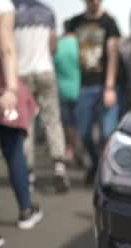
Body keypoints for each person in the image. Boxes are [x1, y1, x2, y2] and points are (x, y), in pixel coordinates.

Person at [0, 0, 44, 248]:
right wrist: (12, 89)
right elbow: (7, 49)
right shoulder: (1, 5)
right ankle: (26, 210)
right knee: (13, 149)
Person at [13, 0, 70, 193]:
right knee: (52, 120)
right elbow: (53, 45)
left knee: (26, 123)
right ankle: (59, 167)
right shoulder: (47, 11)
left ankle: (28, 173)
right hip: (45, 69)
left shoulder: (10, 10)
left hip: (21, 73)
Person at [67, 0, 121, 184]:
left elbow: (113, 55)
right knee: (83, 133)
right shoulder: (74, 23)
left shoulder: (109, 23)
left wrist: (110, 87)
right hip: (82, 86)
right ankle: (97, 164)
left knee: (107, 133)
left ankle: (106, 174)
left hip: (104, 85)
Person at [55, 20, 86, 169]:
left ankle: (71, 148)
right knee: (81, 122)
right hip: (80, 88)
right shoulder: (80, 46)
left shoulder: (58, 45)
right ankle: (80, 149)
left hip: (62, 90)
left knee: (68, 123)